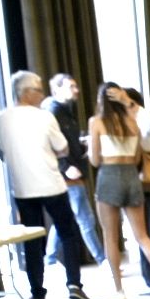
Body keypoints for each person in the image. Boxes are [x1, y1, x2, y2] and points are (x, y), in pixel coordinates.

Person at [0, 69, 91, 299]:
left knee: (32, 240)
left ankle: (37, 291)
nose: (41, 95)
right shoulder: (44, 117)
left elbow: (1, 151)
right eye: (38, 90)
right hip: (51, 185)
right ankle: (74, 284)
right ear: (26, 92)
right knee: (68, 233)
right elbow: (63, 148)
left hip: (23, 189)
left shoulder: (2, 119)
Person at [89, 80, 150, 299]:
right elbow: (138, 157)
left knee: (111, 237)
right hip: (131, 177)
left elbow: (95, 159)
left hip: (109, 176)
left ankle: (119, 291)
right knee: (142, 235)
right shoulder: (132, 122)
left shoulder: (97, 122)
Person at [47, 73, 106, 268]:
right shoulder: (53, 112)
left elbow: (67, 142)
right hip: (68, 174)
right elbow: (49, 145)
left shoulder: (66, 111)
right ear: (57, 89)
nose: (76, 90)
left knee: (65, 218)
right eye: (71, 86)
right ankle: (102, 259)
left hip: (72, 172)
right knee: (85, 218)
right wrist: (65, 167)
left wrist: (82, 143)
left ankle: (50, 259)